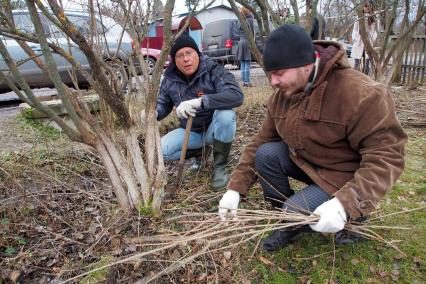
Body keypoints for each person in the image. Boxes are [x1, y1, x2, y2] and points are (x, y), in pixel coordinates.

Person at [218, 24, 407, 252]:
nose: (273, 82)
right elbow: (261, 141)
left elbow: (387, 156)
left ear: (306, 65)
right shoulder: (282, 97)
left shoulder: (362, 94)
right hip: (308, 164)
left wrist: (346, 203)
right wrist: (235, 188)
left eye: (279, 73)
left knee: (296, 210)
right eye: (270, 74)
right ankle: (286, 222)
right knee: (266, 154)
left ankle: (351, 218)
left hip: (343, 176)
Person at [157, 34, 244, 189]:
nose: (185, 59)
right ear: (174, 60)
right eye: (179, 55)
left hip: (214, 129)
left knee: (226, 115)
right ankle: (200, 154)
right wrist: (154, 113)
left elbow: (236, 96)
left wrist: (201, 102)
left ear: (197, 54)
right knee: (161, 151)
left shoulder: (213, 70)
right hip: (190, 131)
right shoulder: (169, 79)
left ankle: (220, 167)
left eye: (189, 53)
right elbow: (163, 105)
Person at [352, 1, 378, 75]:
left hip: (368, 41)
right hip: (359, 41)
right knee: (357, 62)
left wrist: (371, 39)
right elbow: (355, 29)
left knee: (367, 62)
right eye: (365, 6)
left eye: (369, 6)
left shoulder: (373, 19)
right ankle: (355, 78)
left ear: (372, 7)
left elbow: (374, 31)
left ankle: (366, 78)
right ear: (363, 7)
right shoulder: (358, 17)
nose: (367, 8)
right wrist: (356, 38)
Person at [235, 6, 255, 87]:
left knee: (242, 62)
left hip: (240, 41)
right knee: (246, 62)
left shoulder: (240, 20)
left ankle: (244, 81)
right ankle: (247, 82)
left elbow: (237, 31)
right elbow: (252, 32)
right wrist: (252, 42)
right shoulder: (250, 19)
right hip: (247, 42)